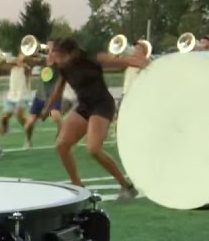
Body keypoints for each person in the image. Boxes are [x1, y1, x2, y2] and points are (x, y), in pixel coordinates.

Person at [48, 37, 144, 198]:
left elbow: (121, 62)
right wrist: (46, 109)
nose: (56, 59)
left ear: (72, 53)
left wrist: (142, 63)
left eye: (59, 55)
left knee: (93, 149)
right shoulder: (64, 69)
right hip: (85, 106)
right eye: (54, 55)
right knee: (62, 145)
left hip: (102, 104)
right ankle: (78, 186)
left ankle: (126, 186)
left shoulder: (92, 59)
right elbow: (57, 91)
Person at [0, 53, 32, 143]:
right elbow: (1, 66)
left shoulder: (26, 68)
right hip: (11, 96)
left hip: (23, 96)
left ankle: (28, 134)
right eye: (20, 55)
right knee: (4, 117)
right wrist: (4, 58)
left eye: (22, 56)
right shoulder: (12, 67)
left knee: (18, 115)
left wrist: (14, 60)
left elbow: (24, 67)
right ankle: (6, 131)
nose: (20, 57)